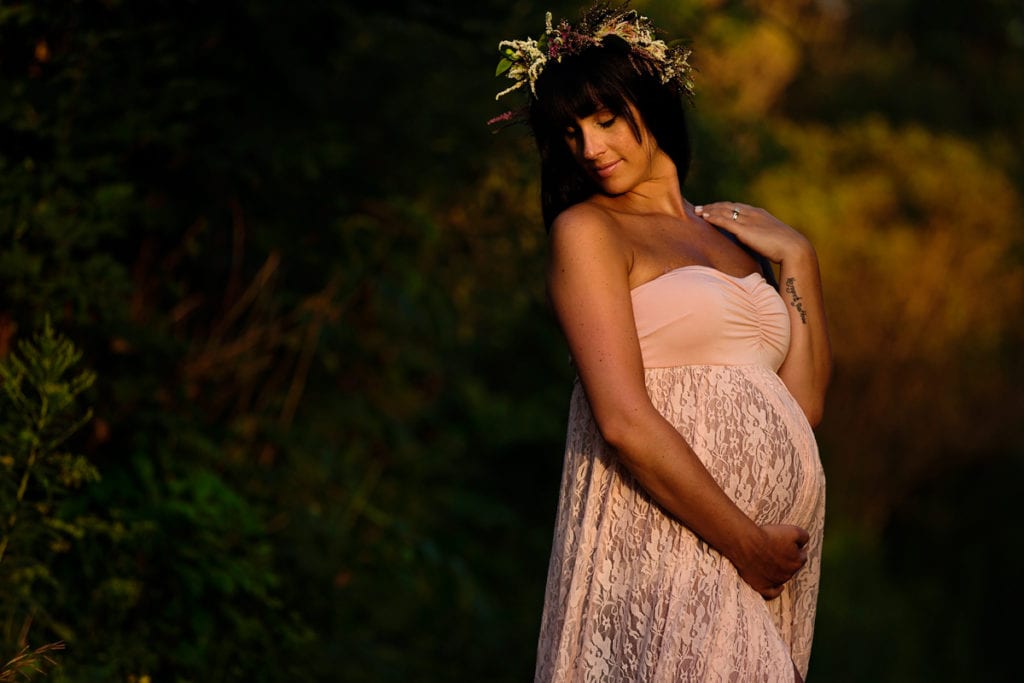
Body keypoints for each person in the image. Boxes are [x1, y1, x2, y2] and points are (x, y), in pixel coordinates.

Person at [493, 3, 831, 681]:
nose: (588, 148)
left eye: (605, 118)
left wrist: (798, 257)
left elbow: (802, 405)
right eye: (569, 131)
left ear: (650, 99)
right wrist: (744, 541)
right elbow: (621, 418)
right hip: (675, 545)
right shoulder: (589, 231)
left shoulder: (732, 237)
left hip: (765, 566)